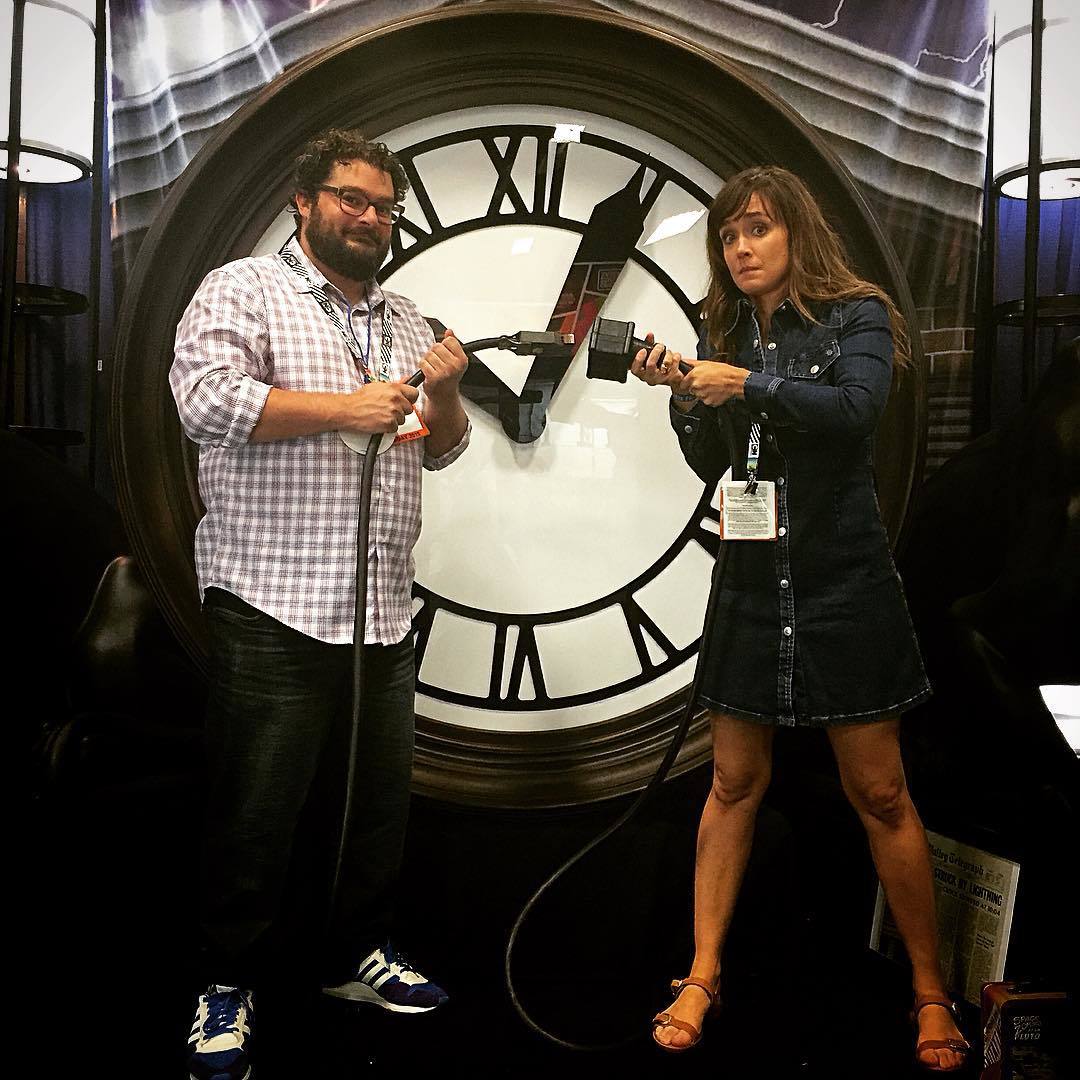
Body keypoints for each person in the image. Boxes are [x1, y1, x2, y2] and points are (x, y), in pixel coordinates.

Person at [632, 166, 970, 1072]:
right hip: (751, 586)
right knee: (732, 784)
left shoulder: (856, 315)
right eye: (729, 236)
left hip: (842, 585)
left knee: (882, 794)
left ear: (796, 234)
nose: (741, 249)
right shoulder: (724, 333)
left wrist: (742, 383)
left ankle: (930, 990)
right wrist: (684, 395)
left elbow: (856, 411)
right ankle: (702, 974)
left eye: (758, 229)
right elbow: (715, 462)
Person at [170, 128, 470, 1080]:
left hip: (380, 607)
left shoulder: (407, 318)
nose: (370, 218)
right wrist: (345, 407)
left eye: (384, 206)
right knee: (255, 813)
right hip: (272, 598)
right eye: (352, 198)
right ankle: (227, 982)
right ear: (305, 201)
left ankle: (354, 957)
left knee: (372, 808)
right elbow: (204, 402)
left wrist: (447, 392)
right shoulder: (244, 288)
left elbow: (445, 447)